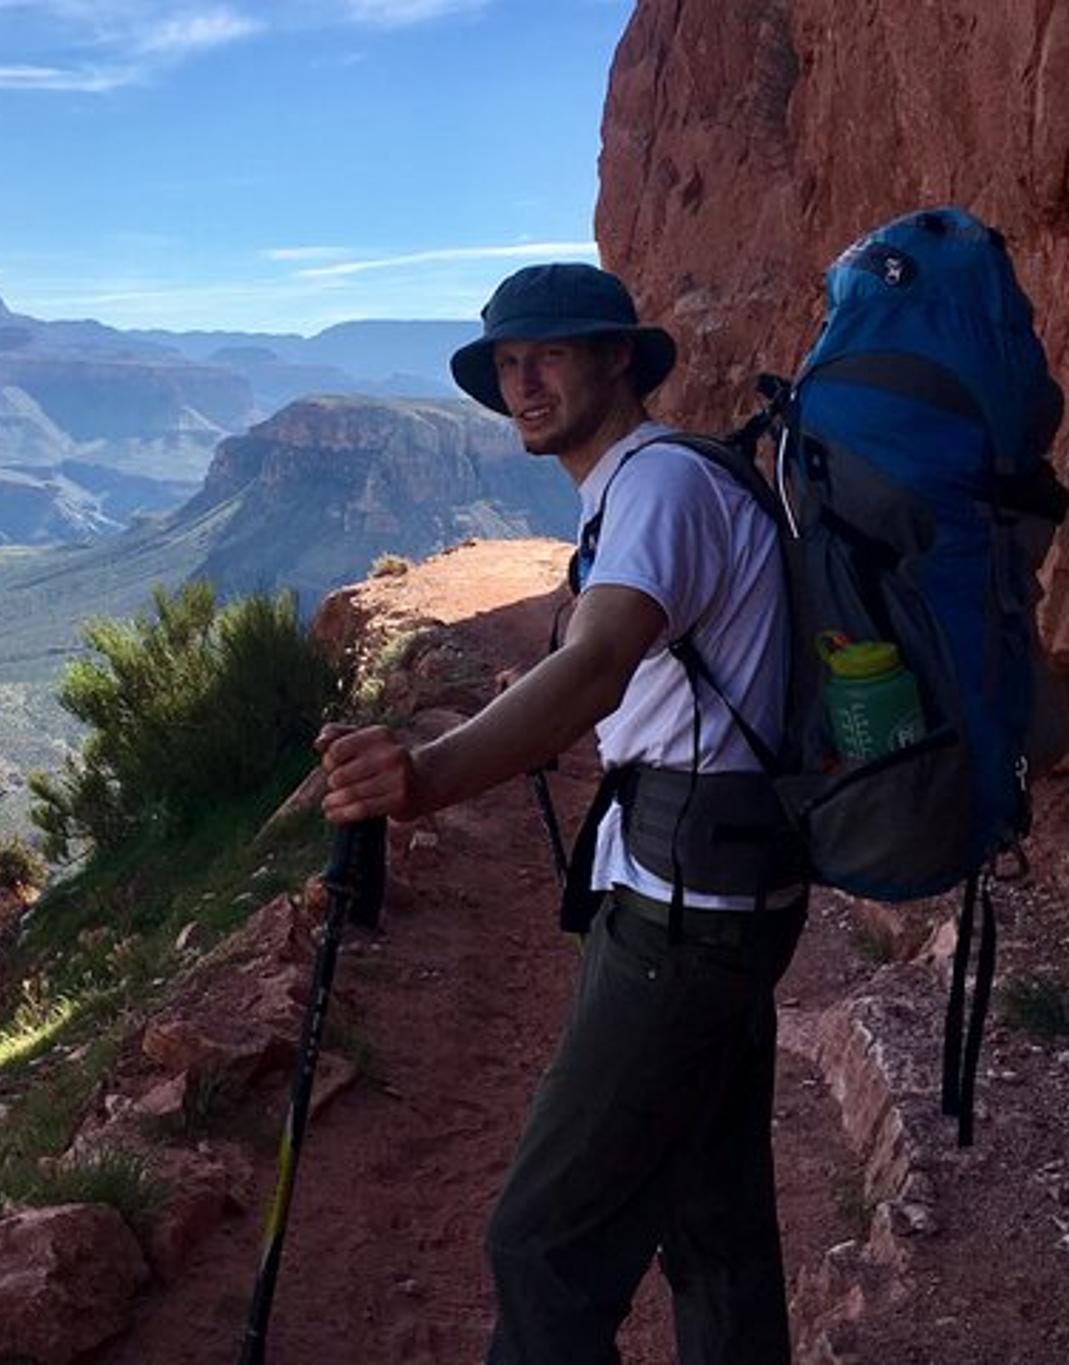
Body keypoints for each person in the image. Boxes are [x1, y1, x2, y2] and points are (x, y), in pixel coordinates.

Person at [316, 262, 804, 1364]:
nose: (521, 383)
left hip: (684, 913)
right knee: (711, 1219)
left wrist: (428, 776)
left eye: (546, 356)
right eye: (503, 364)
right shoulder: (639, 488)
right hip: (705, 883)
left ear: (617, 357)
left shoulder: (660, 487)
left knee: (540, 1245)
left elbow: (593, 667)